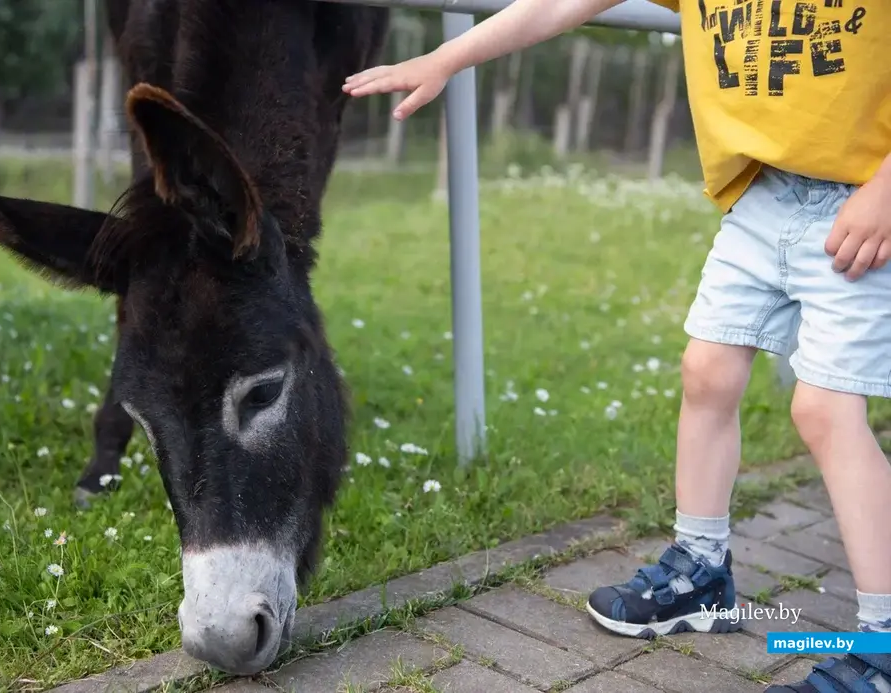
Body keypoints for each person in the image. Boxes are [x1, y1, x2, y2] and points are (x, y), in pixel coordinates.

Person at [342, 1, 891, 690]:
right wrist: (447, 57)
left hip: (862, 207)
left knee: (823, 410)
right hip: (763, 197)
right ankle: (701, 571)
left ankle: (883, 643)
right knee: (707, 372)